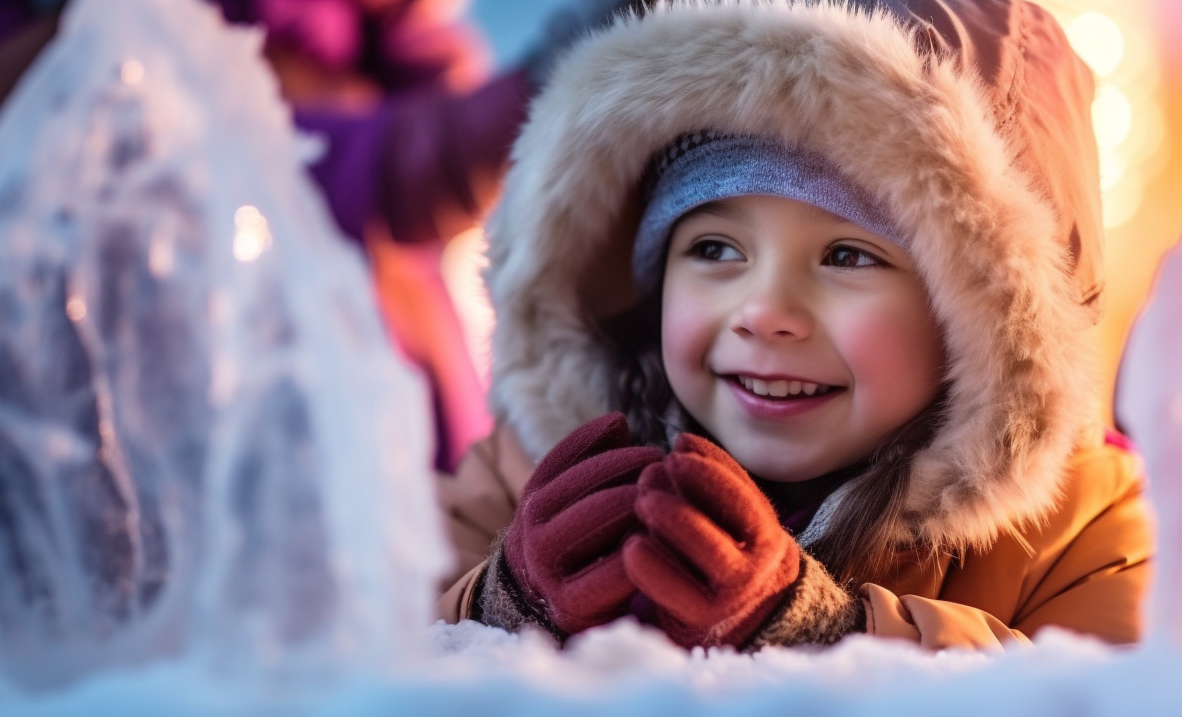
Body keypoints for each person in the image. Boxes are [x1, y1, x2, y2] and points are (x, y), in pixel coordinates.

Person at [434, 0, 1153, 652]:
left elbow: (1101, 692)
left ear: (982, 323)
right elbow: (373, 650)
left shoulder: (1083, 530)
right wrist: (502, 602)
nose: (764, 313)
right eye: (715, 249)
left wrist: (824, 634)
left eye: (847, 255)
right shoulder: (530, 470)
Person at [0, 0, 637, 473]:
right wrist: (540, 84)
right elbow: (276, 163)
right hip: (86, 433)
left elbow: (435, 96)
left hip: (381, 420)